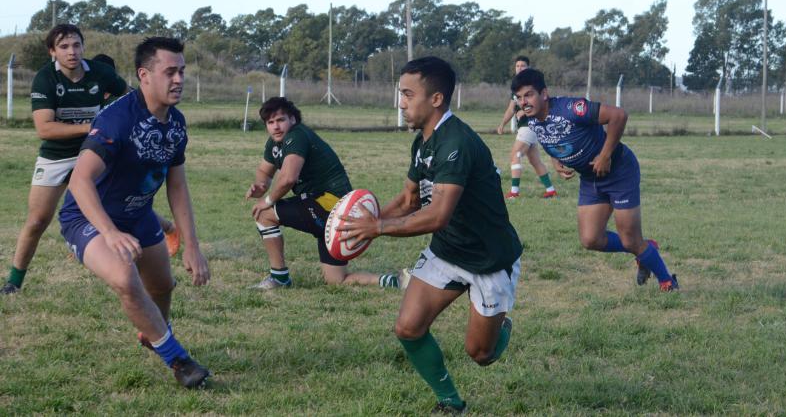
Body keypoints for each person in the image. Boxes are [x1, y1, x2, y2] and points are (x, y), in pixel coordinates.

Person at [339, 56, 522, 414]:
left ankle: (500, 328)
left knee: (480, 354)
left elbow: (437, 215)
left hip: (488, 259)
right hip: (447, 251)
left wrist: (375, 227)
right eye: (400, 94)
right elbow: (409, 199)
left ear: (435, 99)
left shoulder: (456, 144)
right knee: (408, 328)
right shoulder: (423, 142)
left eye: (408, 94)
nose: (401, 102)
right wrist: (359, 225)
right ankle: (451, 403)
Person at [58, 37, 211, 387]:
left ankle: (153, 332)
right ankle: (179, 361)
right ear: (145, 75)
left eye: (182, 71)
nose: (179, 79)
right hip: (87, 218)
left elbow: (177, 186)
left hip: (139, 216)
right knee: (126, 279)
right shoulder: (117, 119)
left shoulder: (176, 123)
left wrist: (191, 245)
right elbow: (80, 182)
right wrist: (110, 233)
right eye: (170, 71)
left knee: (162, 286)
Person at [510, 68, 679, 291]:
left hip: (620, 171)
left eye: (529, 95)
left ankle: (667, 281)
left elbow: (618, 115)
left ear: (544, 94)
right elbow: (549, 136)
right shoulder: (531, 119)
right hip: (591, 178)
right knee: (591, 239)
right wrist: (555, 159)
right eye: (520, 97)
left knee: (630, 239)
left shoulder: (571, 108)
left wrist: (605, 155)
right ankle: (646, 249)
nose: (524, 102)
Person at [1, 25, 129, 295]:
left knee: (117, 209)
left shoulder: (101, 73)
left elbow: (130, 99)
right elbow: (45, 129)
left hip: (93, 152)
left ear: (83, 47)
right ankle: (13, 282)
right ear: (53, 51)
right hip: (56, 156)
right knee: (37, 220)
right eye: (64, 47)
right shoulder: (45, 78)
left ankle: (151, 251)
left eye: (76, 45)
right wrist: (92, 125)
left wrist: (110, 117)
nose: (71, 52)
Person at [246, 97, 404, 290]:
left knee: (264, 214)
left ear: (293, 120)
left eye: (280, 120)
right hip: (330, 210)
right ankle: (394, 281)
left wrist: (267, 200)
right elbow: (264, 171)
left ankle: (279, 278)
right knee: (336, 280)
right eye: (270, 122)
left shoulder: (296, 135)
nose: (276, 127)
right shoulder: (275, 144)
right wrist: (260, 185)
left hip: (330, 204)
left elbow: (288, 178)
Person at [91, 53, 182, 258]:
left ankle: (168, 228)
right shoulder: (90, 93)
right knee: (91, 192)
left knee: (124, 201)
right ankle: (87, 239)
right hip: (95, 150)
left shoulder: (123, 101)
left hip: (121, 157)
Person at [496, 56, 556, 199]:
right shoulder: (516, 87)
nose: (519, 68)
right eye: (517, 66)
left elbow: (544, 102)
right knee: (534, 160)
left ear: (528, 68)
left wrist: (527, 109)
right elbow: (511, 109)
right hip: (527, 127)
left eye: (523, 66)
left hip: (529, 126)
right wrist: (502, 124)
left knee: (515, 155)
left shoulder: (534, 84)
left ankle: (514, 193)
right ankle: (551, 190)